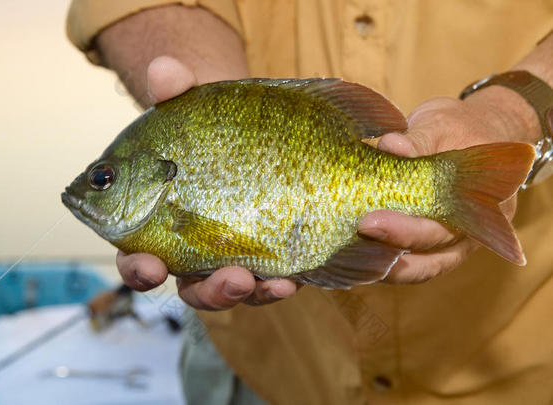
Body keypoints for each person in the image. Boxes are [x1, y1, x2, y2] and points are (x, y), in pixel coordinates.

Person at [66, 1, 553, 403]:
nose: (93, 189)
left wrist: (514, 113)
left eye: (104, 179)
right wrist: (200, 78)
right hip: (270, 368)